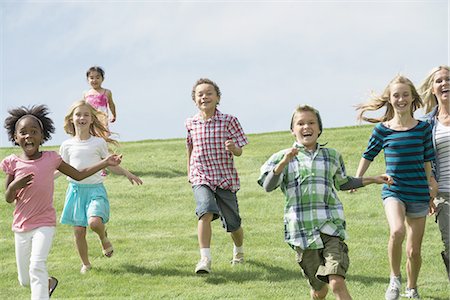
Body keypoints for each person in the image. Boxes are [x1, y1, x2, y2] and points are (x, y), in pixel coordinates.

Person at [257, 104, 392, 300]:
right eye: (300, 123)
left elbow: (344, 183)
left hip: (331, 227)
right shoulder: (281, 157)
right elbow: (268, 186)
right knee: (320, 290)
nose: (306, 127)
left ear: (319, 128)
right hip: (302, 233)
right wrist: (283, 163)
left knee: (337, 282)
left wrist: (373, 179)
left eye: (311, 123)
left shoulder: (332, 156)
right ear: (292, 130)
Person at [1, 105, 121, 299]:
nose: (28, 136)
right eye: (23, 132)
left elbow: (79, 175)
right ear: (15, 137)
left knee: (37, 266)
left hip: (44, 223)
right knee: (25, 280)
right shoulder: (12, 163)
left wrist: (105, 162)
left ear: (42, 136)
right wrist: (14, 186)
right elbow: (8, 198)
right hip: (21, 225)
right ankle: (49, 282)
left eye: (34, 132)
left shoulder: (51, 159)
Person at [354, 75, 436, 299]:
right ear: (390, 99)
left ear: (412, 98)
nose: (401, 99)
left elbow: (428, 160)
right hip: (394, 190)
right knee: (397, 230)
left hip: (418, 191)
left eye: (405, 95)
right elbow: (368, 155)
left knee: (414, 251)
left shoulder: (423, 128)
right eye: (396, 95)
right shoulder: (383, 130)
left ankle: (412, 288)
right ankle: (394, 280)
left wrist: (430, 189)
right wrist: (357, 180)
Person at [58, 100, 142, 274]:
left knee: (94, 223)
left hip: (95, 190)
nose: (82, 117)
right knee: (79, 231)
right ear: (71, 119)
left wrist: (127, 173)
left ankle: (103, 237)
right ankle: (86, 264)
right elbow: (61, 168)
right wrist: (42, 180)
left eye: (86, 115)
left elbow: (110, 164)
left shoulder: (98, 143)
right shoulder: (66, 145)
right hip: (74, 192)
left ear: (91, 119)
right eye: (78, 114)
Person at [185, 78, 248, 274]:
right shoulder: (191, 122)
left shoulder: (229, 120)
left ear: (218, 97)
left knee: (233, 223)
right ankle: (205, 259)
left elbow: (240, 150)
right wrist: (189, 170)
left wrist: (233, 148)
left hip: (224, 177)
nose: (204, 97)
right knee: (204, 210)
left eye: (209, 93)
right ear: (195, 100)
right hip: (201, 175)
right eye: (200, 94)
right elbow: (190, 147)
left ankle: (238, 250)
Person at [418, 65, 450, 280]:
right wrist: (428, 190)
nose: (445, 83)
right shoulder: (427, 125)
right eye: (439, 81)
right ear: (432, 89)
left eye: (448, 79)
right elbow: (424, 160)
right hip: (444, 194)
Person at [83, 66, 117, 131]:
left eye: (97, 77)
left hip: (102, 118)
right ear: (88, 80)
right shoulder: (86, 93)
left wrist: (113, 115)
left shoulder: (107, 92)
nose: (94, 80)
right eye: (91, 78)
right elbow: (83, 107)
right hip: (90, 118)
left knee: (102, 135)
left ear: (102, 79)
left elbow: (111, 104)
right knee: (90, 135)